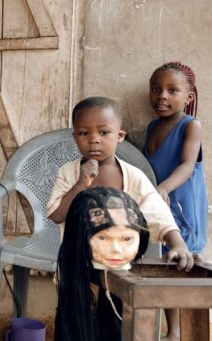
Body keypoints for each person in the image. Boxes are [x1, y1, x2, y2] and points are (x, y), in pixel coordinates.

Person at [46, 96, 195, 271]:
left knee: (114, 298)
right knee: (78, 298)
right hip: (76, 266)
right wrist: (80, 184)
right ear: (75, 137)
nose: (94, 139)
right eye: (84, 133)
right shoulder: (69, 173)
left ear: (120, 136)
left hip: (120, 266)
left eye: (103, 133)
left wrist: (178, 245)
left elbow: (158, 214)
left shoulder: (133, 177)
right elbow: (56, 215)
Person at [48, 187, 150, 341]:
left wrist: (178, 244)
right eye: (102, 238)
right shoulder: (76, 280)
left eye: (127, 239)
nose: (116, 249)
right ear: (81, 238)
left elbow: (159, 213)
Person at [143, 61, 207, 341]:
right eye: (156, 89)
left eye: (172, 90)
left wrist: (163, 188)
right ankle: (175, 335)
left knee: (182, 269)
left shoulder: (191, 126)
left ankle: (185, 339)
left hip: (180, 206)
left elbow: (187, 165)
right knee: (166, 264)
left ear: (188, 96)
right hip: (159, 208)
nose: (162, 96)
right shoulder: (152, 127)